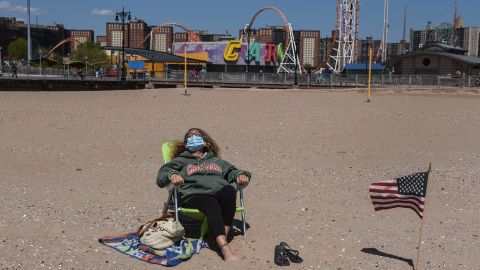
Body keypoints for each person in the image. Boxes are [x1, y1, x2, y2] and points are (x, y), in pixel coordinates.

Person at [156, 128, 251, 261]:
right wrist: (173, 174)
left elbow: (233, 172)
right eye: (190, 136)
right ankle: (225, 249)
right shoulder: (180, 161)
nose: (193, 137)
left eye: (197, 135)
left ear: (206, 143)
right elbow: (161, 177)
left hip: (217, 193)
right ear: (185, 144)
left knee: (229, 191)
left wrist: (242, 175)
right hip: (193, 195)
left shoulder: (217, 161)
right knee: (210, 202)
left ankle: (219, 235)